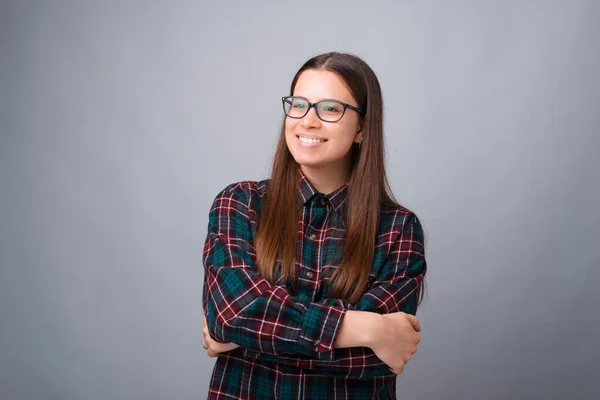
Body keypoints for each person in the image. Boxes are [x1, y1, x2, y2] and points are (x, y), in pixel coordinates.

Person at [201, 52, 427, 399]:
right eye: (299, 104)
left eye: (330, 109)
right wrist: (365, 326)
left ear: (362, 128)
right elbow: (233, 312)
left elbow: (376, 360)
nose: (307, 121)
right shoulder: (241, 203)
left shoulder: (398, 229)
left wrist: (247, 336)